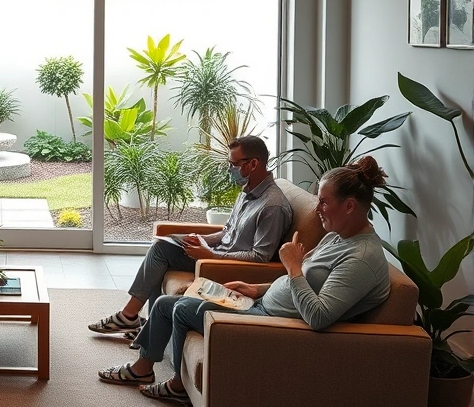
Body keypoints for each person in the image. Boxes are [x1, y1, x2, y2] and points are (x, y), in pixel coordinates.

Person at [97, 156, 392, 404]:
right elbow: (299, 282)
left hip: (272, 322)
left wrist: (293, 268)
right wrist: (257, 288)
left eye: (324, 202)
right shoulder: (339, 237)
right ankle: (154, 371)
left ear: (350, 206)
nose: (317, 210)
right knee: (170, 301)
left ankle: (172, 384)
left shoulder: (361, 258)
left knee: (176, 307)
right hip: (262, 303)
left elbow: (318, 316)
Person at [88, 135, 293, 344]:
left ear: (253, 164)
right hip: (215, 254)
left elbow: (260, 257)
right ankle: (137, 320)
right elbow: (228, 232)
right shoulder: (247, 192)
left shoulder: (272, 206)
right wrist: (199, 240)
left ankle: (129, 317)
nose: (229, 169)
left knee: (161, 252)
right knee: (163, 247)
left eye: (233, 164)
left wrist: (211, 255)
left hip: (223, 265)